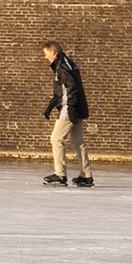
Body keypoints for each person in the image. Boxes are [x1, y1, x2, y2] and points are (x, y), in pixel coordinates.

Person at [41, 42, 92, 187]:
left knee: (56, 139)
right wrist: (51, 105)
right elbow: (63, 89)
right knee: (78, 142)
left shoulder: (62, 65)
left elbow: (71, 87)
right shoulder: (66, 63)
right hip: (77, 108)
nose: (45, 57)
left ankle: (60, 174)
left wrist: (70, 108)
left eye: (46, 53)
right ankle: (86, 176)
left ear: (53, 52)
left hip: (69, 108)